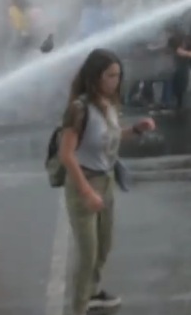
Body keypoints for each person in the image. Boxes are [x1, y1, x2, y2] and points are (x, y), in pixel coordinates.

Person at [58, 48, 155, 315]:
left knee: (103, 248)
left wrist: (135, 130)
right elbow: (66, 154)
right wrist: (86, 191)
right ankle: (78, 308)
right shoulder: (79, 109)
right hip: (84, 184)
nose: (116, 81)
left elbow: (108, 137)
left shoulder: (109, 104)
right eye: (111, 76)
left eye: (118, 75)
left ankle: (92, 294)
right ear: (96, 76)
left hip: (106, 181)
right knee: (87, 256)